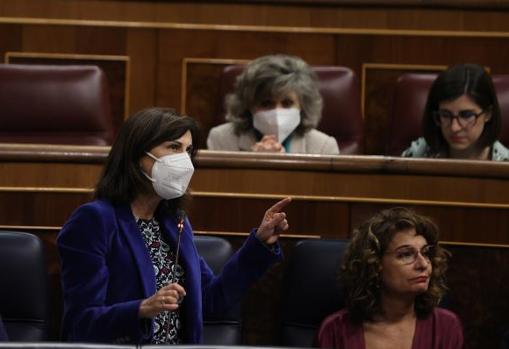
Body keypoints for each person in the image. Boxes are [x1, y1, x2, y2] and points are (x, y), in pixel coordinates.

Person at [57, 107, 290, 344]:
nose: (184, 161)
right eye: (174, 147)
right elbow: (80, 323)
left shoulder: (174, 222)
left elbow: (210, 301)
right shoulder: (94, 221)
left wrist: (259, 244)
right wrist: (141, 308)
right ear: (138, 155)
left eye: (188, 150)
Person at [317, 207, 463, 349]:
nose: (423, 264)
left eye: (425, 253)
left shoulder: (446, 327)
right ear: (374, 265)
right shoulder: (335, 330)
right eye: (406, 254)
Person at [207, 54, 340, 155]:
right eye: (266, 103)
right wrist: (252, 164)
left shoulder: (324, 147)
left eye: (287, 103)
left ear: (302, 106)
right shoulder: (221, 139)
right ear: (248, 106)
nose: (277, 112)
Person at [402, 63, 509, 160]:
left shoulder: (505, 163)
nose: (454, 128)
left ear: (488, 114)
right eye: (445, 115)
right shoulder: (417, 155)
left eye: (466, 115)